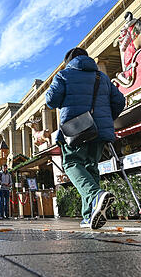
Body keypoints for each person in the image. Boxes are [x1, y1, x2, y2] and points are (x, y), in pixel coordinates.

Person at [46, 47, 125, 229]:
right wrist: (104, 118)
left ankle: (95, 195)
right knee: (90, 167)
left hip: (76, 128)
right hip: (99, 131)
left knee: (72, 164)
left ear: (69, 62)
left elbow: (51, 101)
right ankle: (89, 215)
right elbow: (119, 101)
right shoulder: (102, 77)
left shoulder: (64, 75)